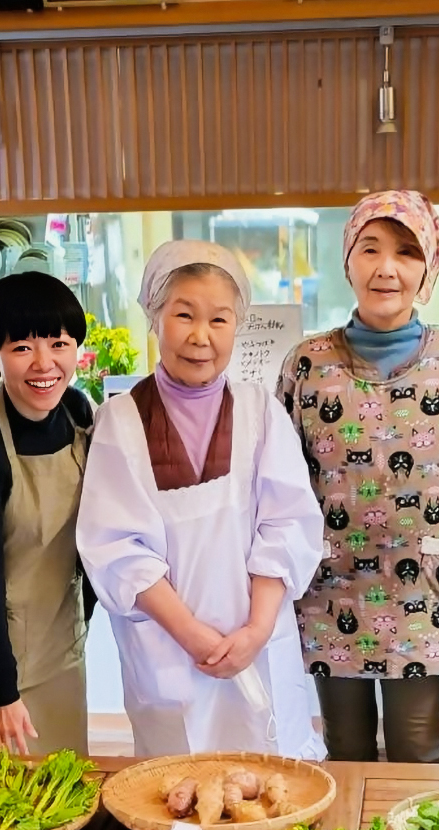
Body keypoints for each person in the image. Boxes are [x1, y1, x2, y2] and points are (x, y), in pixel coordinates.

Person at [77, 240, 324, 757]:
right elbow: (116, 549)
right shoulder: (120, 422)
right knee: (178, 798)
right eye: (183, 314)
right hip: (169, 655)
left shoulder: (261, 414)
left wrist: (256, 631)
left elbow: (288, 527)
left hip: (257, 647)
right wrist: (193, 636)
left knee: (271, 792)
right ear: (154, 316)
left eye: (219, 319)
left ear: (238, 325)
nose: (200, 337)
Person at [278, 189, 439, 764]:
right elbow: (284, 486)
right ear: (348, 261)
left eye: (406, 252)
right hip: (330, 586)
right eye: (370, 249)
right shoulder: (306, 364)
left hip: (427, 588)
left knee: (419, 748)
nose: (386, 268)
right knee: (344, 750)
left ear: (428, 267)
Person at [0, 271, 94, 756]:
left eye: (59, 343)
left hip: (63, 647)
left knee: (69, 791)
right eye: (23, 348)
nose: (45, 363)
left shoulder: (77, 412)